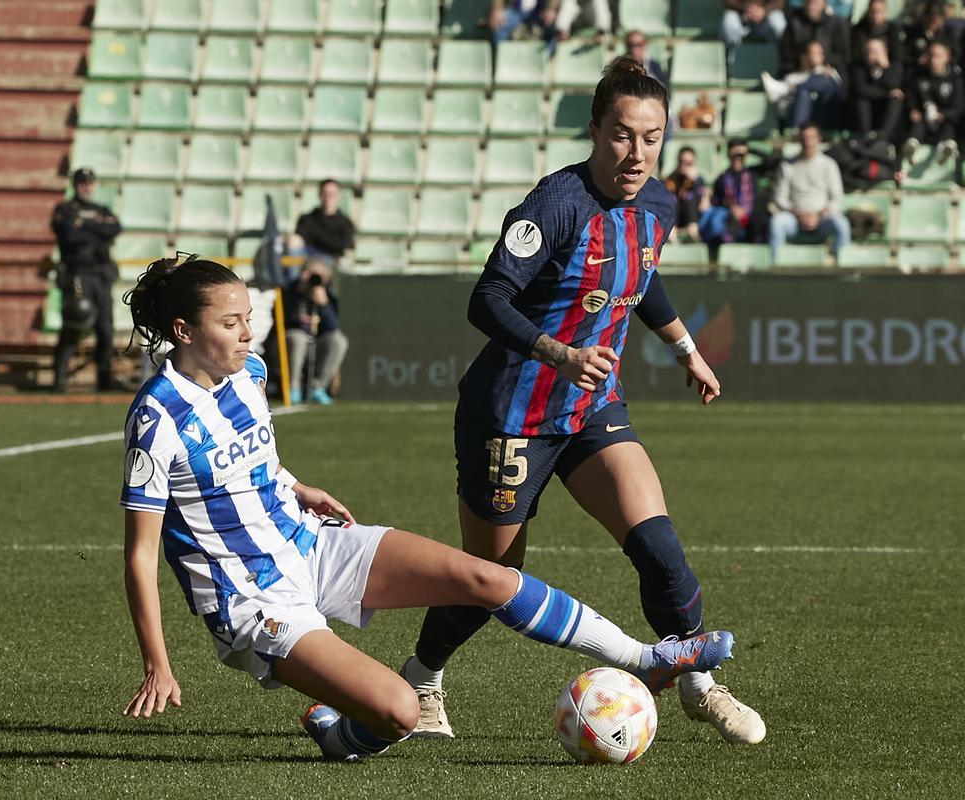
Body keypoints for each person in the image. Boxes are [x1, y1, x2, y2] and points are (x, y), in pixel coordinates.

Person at [118, 255, 736, 762]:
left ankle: (645, 660)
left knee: (486, 578)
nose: (248, 333)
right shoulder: (157, 418)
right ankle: (338, 733)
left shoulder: (249, 372)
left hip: (308, 541)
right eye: (231, 323)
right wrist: (157, 665)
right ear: (183, 331)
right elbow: (142, 554)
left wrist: (295, 486)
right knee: (400, 712)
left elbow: (247, 456)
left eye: (248, 317)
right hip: (251, 597)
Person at [396, 57, 767, 747]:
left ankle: (698, 686)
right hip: (511, 413)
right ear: (597, 130)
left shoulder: (659, 203)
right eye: (623, 135)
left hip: (592, 409)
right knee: (492, 580)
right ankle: (421, 676)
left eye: (651, 137)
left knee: (661, 551)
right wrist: (560, 353)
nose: (637, 152)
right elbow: (488, 298)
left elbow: (641, 276)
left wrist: (686, 349)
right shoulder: (555, 204)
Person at [51, 167, 125, 392]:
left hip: (101, 275)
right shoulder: (65, 209)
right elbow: (69, 236)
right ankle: (59, 376)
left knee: (105, 329)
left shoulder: (100, 209)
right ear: (75, 185)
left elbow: (114, 228)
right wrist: (96, 227)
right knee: (75, 324)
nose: (87, 186)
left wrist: (86, 224)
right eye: (82, 182)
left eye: (90, 182)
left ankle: (104, 378)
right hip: (77, 274)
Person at [768, 124, 850, 259]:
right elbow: (780, 197)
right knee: (776, 223)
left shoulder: (829, 164)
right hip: (794, 219)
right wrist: (798, 214)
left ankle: (843, 270)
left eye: (811, 137)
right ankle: (775, 268)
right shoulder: (787, 165)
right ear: (799, 140)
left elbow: (836, 197)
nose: (808, 142)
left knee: (841, 224)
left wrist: (818, 215)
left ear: (818, 139)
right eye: (804, 138)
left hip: (822, 218)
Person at [283, 257, 348, 405]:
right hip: (290, 344)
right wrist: (299, 291)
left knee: (339, 340)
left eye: (320, 276)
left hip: (316, 345)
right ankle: (293, 388)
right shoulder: (289, 291)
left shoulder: (328, 296)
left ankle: (318, 388)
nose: (315, 280)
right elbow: (281, 319)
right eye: (312, 274)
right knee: (298, 337)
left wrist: (323, 304)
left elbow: (332, 327)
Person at [702, 139, 768, 261]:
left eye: (741, 156)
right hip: (731, 222)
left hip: (753, 222)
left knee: (761, 218)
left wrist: (750, 150)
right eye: (734, 155)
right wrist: (731, 208)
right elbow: (717, 202)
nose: (738, 158)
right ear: (728, 155)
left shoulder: (753, 173)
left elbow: (774, 161)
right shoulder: (722, 179)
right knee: (718, 219)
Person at [761, 40, 845, 130]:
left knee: (827, 81)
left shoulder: (828, 73)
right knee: (802, 92)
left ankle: (784, 89)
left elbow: (838, 91)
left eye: (821, 53)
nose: (822, 56)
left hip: (825, 119)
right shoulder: (792, 78)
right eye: (816, 53)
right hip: (802, 121)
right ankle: (798, 134)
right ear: (804, 57)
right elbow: (783, 111)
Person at [905, 41, 964, 163]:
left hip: (944, 119)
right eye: (930, 55)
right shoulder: (919, 74)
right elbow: (910, 96)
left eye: (937, 56)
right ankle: (911, 147)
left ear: (947, 57)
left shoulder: (954, 77)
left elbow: (959, 106)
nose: (933, 59)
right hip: (923, 118)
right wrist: (913, 110)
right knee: (918, 126)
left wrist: (943, 115)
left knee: (949, 127)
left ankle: (946, 148)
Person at [851, 37, 905, 142]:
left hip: (884, 113)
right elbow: (861, 89)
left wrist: (885, 67)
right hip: (865, 113)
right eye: (868, 51)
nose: (871, 55)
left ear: (885, 52)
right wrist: (885, 93)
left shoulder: (894, 67)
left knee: (896, 99)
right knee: (862, 99)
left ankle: (884, 136)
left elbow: (894, 85)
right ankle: (865, 135)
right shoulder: (859, 68)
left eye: (875, 51)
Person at [779, 0, 850, 76]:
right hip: (799, 71)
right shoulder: (794, 23)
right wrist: (804, 61)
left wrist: (822, 61)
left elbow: (844, 56)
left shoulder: (836, 24)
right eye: (808, 2)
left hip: (829, 72)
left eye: (815, 3)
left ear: (823, 3)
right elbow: (786, 53)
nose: (811, 7)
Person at [294, 179, 355, 262]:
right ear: (319, 194)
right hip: (304, 260)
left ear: (338, 195)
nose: (328, 197)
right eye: (325, 193)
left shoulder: (345, 223)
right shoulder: (306, 219)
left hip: (329, 263)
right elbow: (298, 243)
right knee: (285, 259)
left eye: (332, 194)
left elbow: (346, 250)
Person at [721, 0, 788, 67]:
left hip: (766, 19)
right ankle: (729, 63)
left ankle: (783, 63)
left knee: (777, 21)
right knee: (729, 20)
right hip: (741, 17)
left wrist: (764, 11)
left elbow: (780, 2)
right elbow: (727, 2)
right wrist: (745, 8)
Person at [663, 146, 710, 241]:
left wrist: (695, 182)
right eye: (681, 162)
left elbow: (704, 207)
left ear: (694, 164)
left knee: (690, 197)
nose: (684, 166)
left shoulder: (699, 181)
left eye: (689, 163)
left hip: (694, 219)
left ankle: (692, 233)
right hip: (675, 221)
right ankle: (672, 235)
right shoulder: (670, 180)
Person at [903, 2, 960, 68]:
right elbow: (904, 55)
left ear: (942, 19)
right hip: (918, 71)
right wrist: (917, 60)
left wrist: (942, 60)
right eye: (929, 20)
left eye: (935, 21)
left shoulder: (948, 33)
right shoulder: (913, 32)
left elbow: (956, 54)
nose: (932, 24)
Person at [487, 0, 559, 51]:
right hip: (515, 10)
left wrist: (550, 9)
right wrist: (497, 8)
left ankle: (546, 59)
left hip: (540, 11)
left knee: (551, 26)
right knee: (499, 23)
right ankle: (501, 57)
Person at [851, 0, 904, 66]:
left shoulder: (892, 30)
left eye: (879, 12)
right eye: (873, 12)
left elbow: (897, 56)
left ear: (885, 12)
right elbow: (857, 55)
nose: (875, 16)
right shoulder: (859, 29)